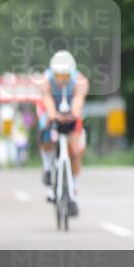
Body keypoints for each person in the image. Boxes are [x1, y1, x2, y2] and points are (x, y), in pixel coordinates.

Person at [37, 50, 89, 216]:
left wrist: (73, 114)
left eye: (64, 76)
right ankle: (48, 168)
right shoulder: (45, 80)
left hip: (71, 114)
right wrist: (53, 115)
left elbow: (78, 100)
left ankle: (73, 191)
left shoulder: (80, 81)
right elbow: (47, 100)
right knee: (46, 134)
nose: (61, 80)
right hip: (53, 113)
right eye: (57, 76)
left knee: (75, 151)